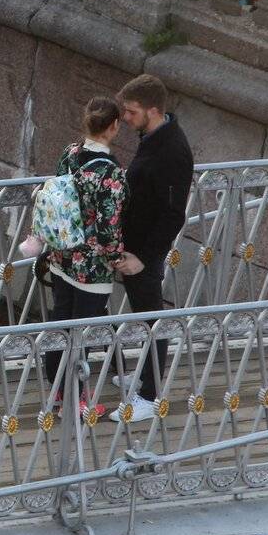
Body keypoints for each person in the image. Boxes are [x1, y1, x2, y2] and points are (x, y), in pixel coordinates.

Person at [112, 74, 194, 423]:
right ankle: (145, 376)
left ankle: (150, 396)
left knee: (151, 318)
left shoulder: (172, 150)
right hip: (134, 245)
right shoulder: (154, 137)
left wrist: (142, 258)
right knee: (144, 314)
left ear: (153, 110)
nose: (125, 118)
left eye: (131, 112)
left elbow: (174, 214)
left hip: (143, 252)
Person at [42, 96, 127, 417]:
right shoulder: (110, 172)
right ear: (114, 126)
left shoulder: (70, 153)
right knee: (83, 333)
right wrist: (117, 257)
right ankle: (74, 401)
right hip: (92, 268)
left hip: (61, 256)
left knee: (61, 322)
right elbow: (108, 226)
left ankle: (58, 389)